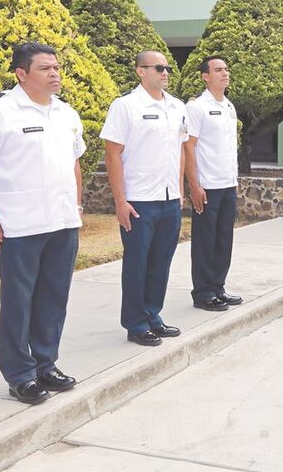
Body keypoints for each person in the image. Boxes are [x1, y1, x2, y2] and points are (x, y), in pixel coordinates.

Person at [0, 43, 85, 404]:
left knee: (54, 299)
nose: (55, 74)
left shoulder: (65, 113)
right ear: (21, 74)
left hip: (61, 223)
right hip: (19, 226)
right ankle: (19, 374)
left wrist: (75, 206)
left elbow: (74, 162)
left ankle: (46, 364)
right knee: (19, 302)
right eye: (45, 68)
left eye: (57, 67)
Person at [101, 51, 187, 346]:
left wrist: (180, 191)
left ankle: (153, 315)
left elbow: (180, 151)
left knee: (161, 261)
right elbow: (112, 154)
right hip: (139, 200)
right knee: (137, 263)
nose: (165, 72)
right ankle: (136, 323)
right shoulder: (126, 106)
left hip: (169, 199)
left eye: (167, 68)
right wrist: (120, 200)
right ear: (140, 71)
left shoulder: (177, 106)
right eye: (158, 68)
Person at [184, 56, 242, 311]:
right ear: (205, 76)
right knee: (205, 240)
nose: (224, 73)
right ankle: (203, 292)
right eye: (218, 70)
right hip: (207, 185)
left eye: (226, 69)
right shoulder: (197, 107)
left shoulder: (229, 106)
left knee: (223, 239)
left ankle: (218, 287)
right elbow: (189, 147)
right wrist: (194, 186)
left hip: (227, 183)